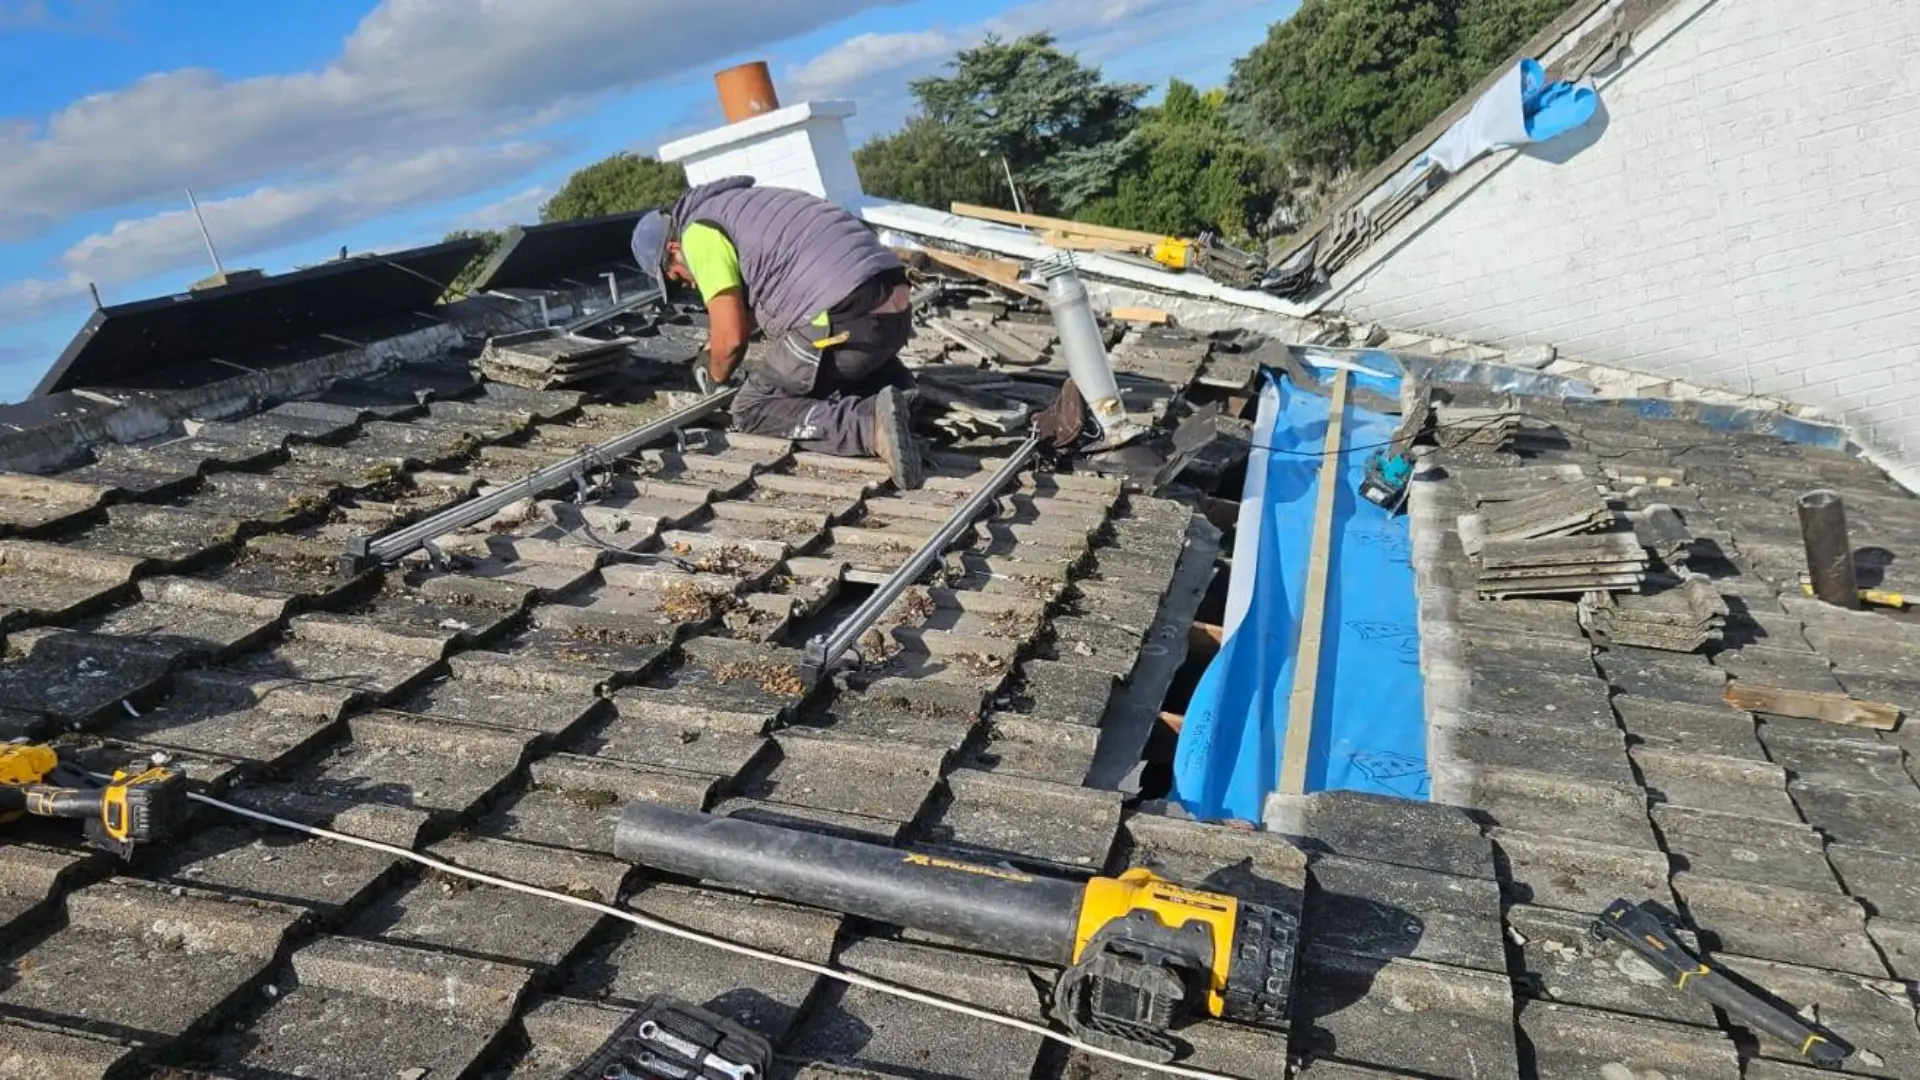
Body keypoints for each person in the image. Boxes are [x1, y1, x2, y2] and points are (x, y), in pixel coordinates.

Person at [631, 176, 923, 490]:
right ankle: (898, 393)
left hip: (845, 317)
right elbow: (760, 307)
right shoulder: (741, 206)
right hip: (892, 315)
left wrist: (713, 373)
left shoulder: (698, 234)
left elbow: (732, 339)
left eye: (675, 278)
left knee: (752, 407)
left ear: (673, 249)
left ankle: (869, 427)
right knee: (817, 373)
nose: (688, 285)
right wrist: (714, 343)